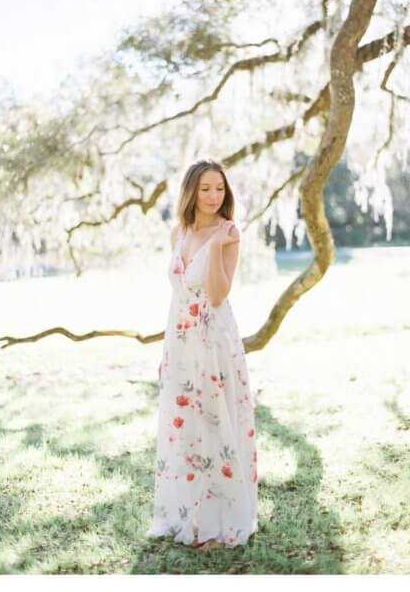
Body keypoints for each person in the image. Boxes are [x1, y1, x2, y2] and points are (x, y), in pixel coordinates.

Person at [146, 158, 258, 550]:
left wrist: (215, 249)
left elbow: (217, 294)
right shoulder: (178, 231)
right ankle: (187, 513)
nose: (213, 196)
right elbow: (178, 294)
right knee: (185, 424)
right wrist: (168, 348)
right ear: (191, 190)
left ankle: (218, 522)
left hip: (214, 339)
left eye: (220, 189)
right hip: (180, 339)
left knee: (215, 423)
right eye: (206, 188)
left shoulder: (229, 232)